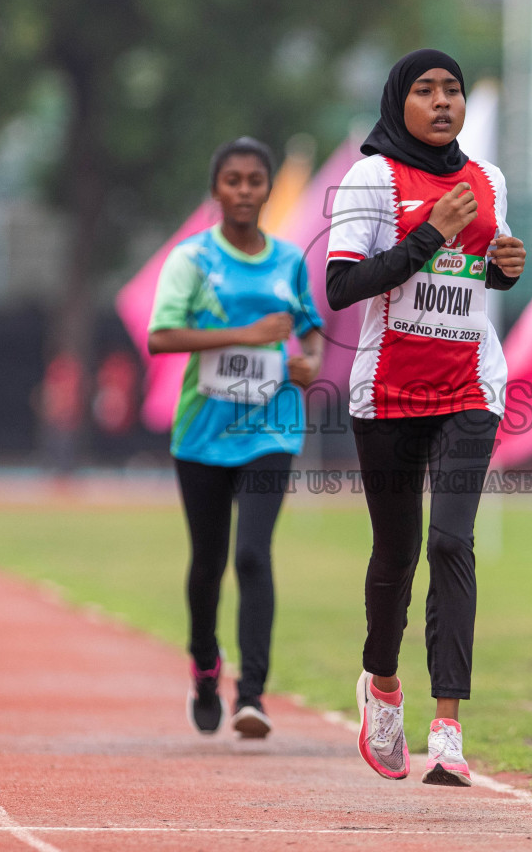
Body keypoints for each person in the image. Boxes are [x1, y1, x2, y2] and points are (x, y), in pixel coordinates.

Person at [326, 50, 526, 786]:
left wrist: (506, 263)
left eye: (453, 90)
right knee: (398, 554)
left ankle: (449, 729)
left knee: (451, 542)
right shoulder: (371, 177)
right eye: (425, 90)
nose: (443, 102)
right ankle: (382, 685)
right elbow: (343, 285)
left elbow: (480, 277)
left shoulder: (488, 180)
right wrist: (430, 235)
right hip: (387, 393)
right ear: (397, 102)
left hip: (471, 383)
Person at [147, 136, 324, 739]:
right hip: (202, 432)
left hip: (271, 427)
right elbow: (161, 337)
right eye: (233, 180)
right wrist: (247, 337)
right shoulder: (191, 260)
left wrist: (308, 363)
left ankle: (252, 695)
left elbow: (311, 332)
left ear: (268, 188)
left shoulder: (290, 261)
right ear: (216, 189)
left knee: (253, 555)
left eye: (255, 180)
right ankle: (204, 666)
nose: (244, 191)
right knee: (207, 563)